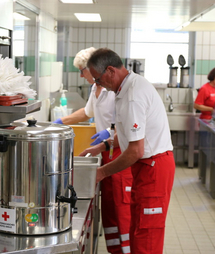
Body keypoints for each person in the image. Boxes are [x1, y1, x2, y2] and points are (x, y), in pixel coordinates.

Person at [80, 48, 175, 254]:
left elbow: (135, 151)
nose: (97, 84)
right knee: (136, 229)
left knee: (146, 235)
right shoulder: (124, 90)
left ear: (111, 71)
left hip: (154, 168)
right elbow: (127, 135)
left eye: (98, 79)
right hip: (145, 168)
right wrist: (101, 146)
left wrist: (102, 172)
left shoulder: (133, 95)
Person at [54, 47, 133, 254]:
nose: (82, 74)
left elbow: (124, 121)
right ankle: (116, 250)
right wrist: (61, 122)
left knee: (121, 207)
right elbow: (87, 112)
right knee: (109, 207)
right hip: (105, 151)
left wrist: (108, 133)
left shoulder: (112, 88)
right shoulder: (94, 89)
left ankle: (127, 250)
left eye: (83, 70)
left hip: (119, 150)